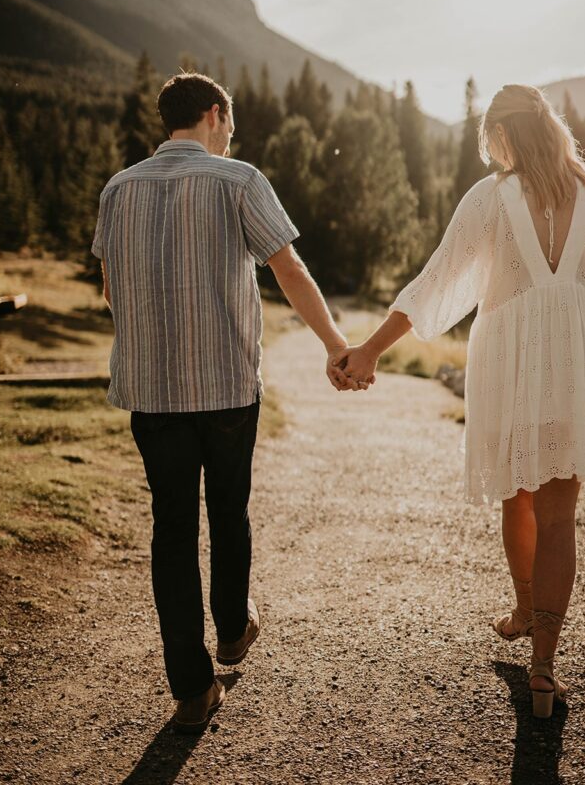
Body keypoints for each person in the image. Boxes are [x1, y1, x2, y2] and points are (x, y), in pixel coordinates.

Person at [336, 84, 585, 719]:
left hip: (513, 361)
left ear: (504, 135)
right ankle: (544, 667)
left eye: (491, 140)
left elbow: (436, 282)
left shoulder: (494, 198)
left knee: (517, 494)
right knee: (560, 517)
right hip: (578, 365)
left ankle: (527, 607)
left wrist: (370, 348)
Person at [92, 72, 365, 733]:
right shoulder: (237, 179)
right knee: (228, 511)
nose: (230, 136)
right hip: (225, 389)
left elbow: (109, 291)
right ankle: (234, 629)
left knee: (171, 530)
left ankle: (190, 688)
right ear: (214, 115)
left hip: (151, 394)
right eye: (230, 125)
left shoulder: (118, 188)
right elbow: (288, 268)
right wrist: (336, 344)